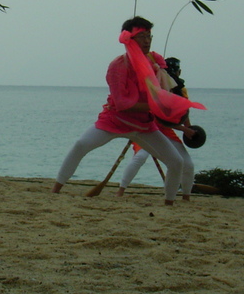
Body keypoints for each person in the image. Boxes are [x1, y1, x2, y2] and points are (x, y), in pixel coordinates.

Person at [51, 17, 205, 205]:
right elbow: (122, 103)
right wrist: (156, 105)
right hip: (114, 121)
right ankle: (55, 190)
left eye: (149, 36)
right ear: (129, 39)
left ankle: (169, 204)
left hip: (144, 125)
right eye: (142, 36)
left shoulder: (154, 63)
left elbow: (163, 95)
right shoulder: (118, 65)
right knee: (80, 145)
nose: (147, 41)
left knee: (177, 162)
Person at [115, 57, 196, 200]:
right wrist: (185, 130)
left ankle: (186, 196)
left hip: (167, 132)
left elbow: (183, 115)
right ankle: (121, 190)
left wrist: (190, 130)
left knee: (187, 164)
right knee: (140, 157)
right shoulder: (156, 86)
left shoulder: (181, 91)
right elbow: (159, 117)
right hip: (148, 128)